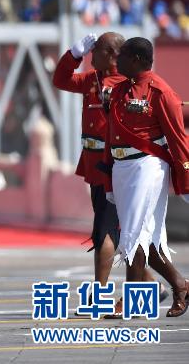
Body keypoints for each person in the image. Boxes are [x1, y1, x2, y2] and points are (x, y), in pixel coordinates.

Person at [53, 32, 164, 315]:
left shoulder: (123, 86)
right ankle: (155, 286)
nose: (91, 56)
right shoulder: (93, 79)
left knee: (105, 235)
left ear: (114, 54)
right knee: (113, 232)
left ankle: (98, 297)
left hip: (115, 169)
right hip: (94, 166)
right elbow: (61, 80)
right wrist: (73, 54)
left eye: (97, 50)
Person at [105, 37, 189, 318]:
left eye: (124, 55)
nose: (118, 60)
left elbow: (178, 140)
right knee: (144, 239)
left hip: (147, 167)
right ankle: (180, 285)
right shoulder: (119, 90)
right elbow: (111, 135)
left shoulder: (160, 92)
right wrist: (107, 178)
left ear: (138, 59)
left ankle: (135, 302)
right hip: (122, 167)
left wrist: (185, 179)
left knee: (135, 236)